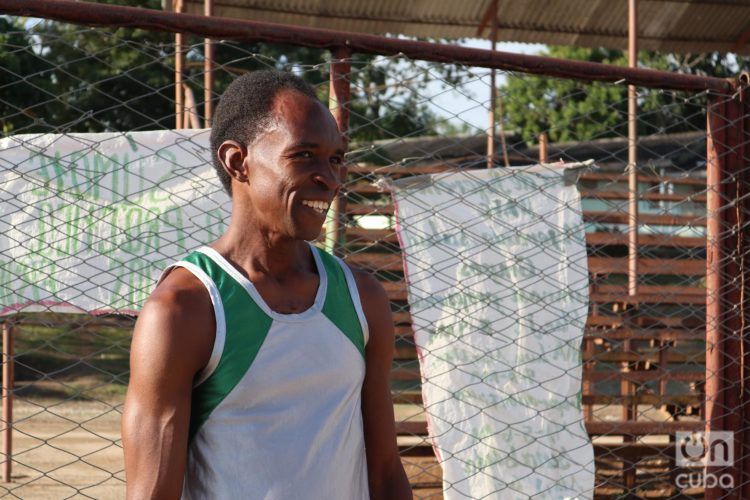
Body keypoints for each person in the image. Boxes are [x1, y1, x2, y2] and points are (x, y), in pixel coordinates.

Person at [122, 70, 412, 500]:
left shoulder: (362, 298)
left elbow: (386, 473)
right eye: (305, 155)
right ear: (237, 161)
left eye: (335, 159)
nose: (330, 179)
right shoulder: (185, 309)